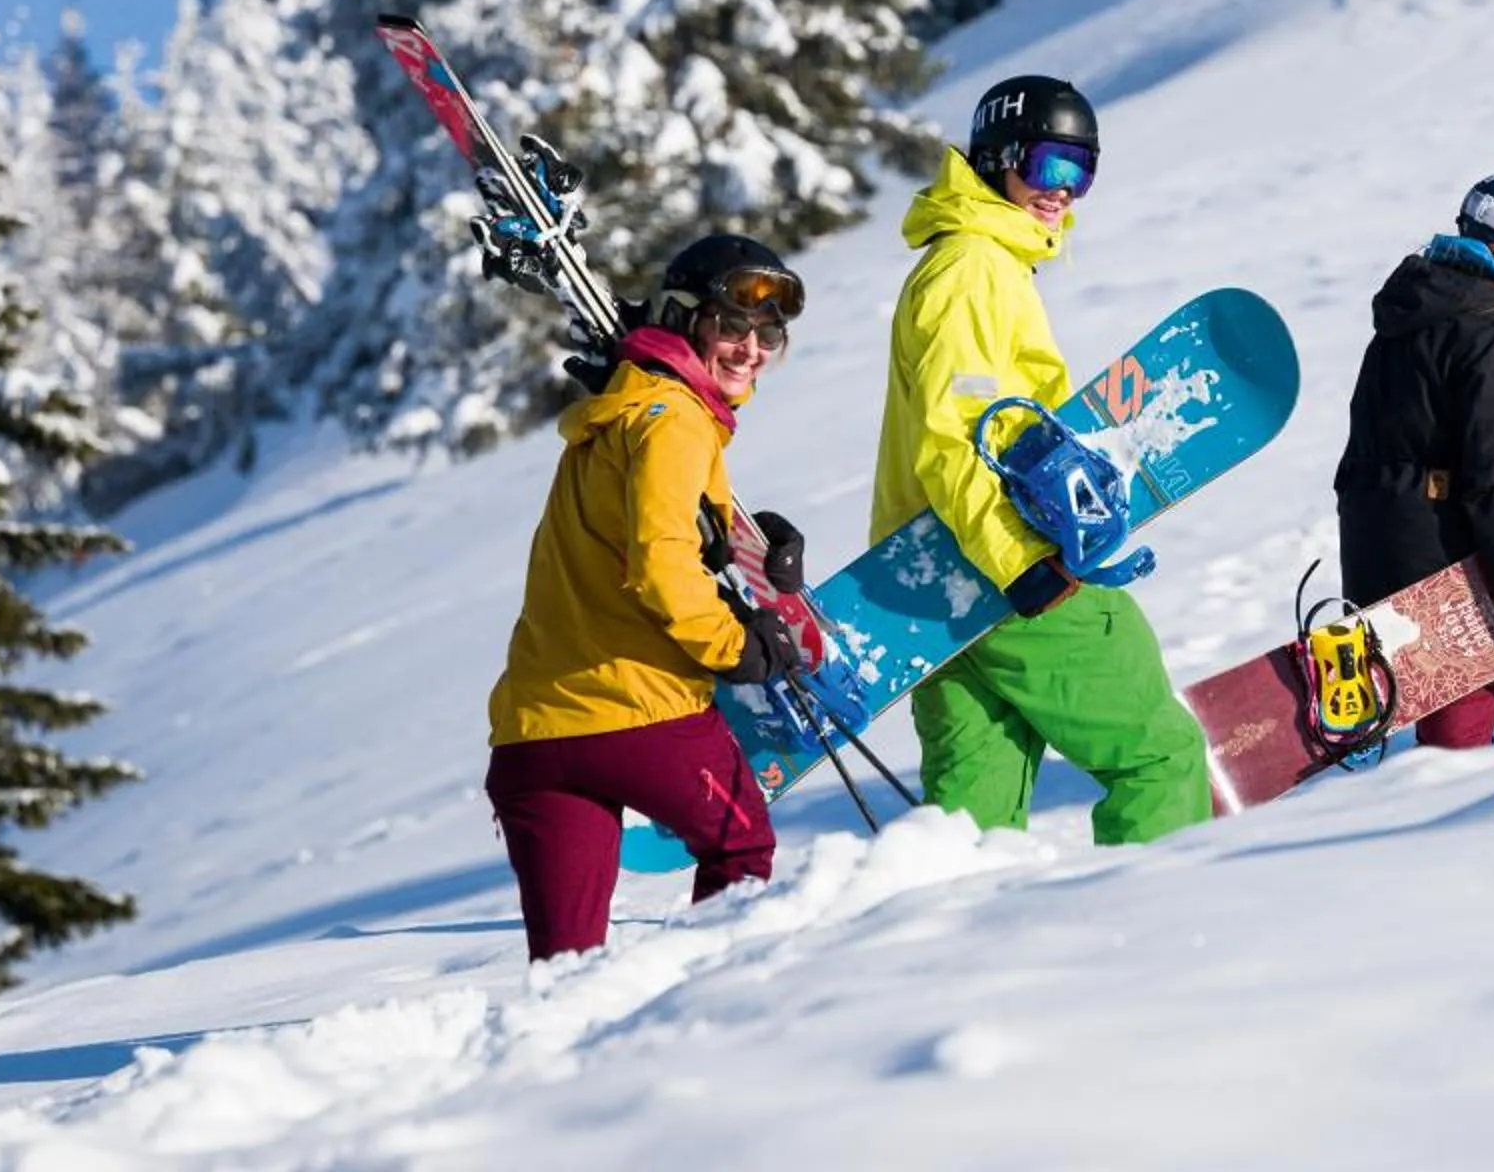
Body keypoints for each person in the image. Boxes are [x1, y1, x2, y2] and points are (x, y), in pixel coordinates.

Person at [870, 75, 1213, 844]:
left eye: (1082, 172)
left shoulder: (975, 264)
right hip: (1007, 568)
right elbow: (955, 431)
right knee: (1160, 758)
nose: (1065, 193)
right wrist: (1021, 563)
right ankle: (1159, 937)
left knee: (973, 822)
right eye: (1052, 166)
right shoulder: (971, 269)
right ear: (999, 159)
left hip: (932, 583)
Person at [483, 233, 813, 960]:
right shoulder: (675, 424)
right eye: (732, 326)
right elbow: (662, 561)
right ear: (688, 319)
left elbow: (643, 539)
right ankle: (698, 1017)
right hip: (640, 715)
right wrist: (735, 648)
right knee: (741, 848)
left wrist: (743, 542)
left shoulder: (623, 411)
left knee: (566, 971)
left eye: (769, 334)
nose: (751, 348)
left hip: (532, 738)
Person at [1331, 171, 1494, 750]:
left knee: (1409, 717)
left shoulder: (1406, 313)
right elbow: (1489, 490)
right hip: (1443, 559)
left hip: (1370, 539)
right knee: (1461, 724)